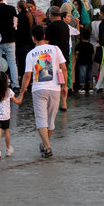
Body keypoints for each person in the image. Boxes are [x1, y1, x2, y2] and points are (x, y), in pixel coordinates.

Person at [18, 26, 67, 158]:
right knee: (50, 121)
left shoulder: (30, 54)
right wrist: (65, 85)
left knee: (41, 119)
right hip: (55, 88)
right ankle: (46, 145)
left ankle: (47, 146)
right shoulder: (55, 49)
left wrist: (22, 92)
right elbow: (64, 67)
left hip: (39, 89)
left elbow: (27, 75)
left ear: (33, 38)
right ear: (44, 36)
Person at [74, 28, 94, 93]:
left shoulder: (79, 45)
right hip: (89, 61)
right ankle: (91, 86)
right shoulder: (90, 45)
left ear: (81, 36)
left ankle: (82, 87)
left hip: (82, 62)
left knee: (82, 74)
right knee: (90, 74)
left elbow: (76, 52)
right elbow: (92, 53)